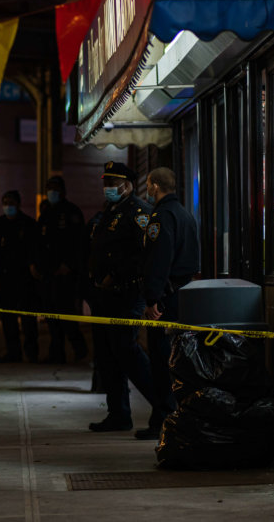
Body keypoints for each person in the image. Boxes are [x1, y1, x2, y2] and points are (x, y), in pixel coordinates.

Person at [86, 162, 168, 433]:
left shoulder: (139, 212)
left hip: (127, 294)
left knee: (127, 351)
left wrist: (116, 274)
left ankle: (164, 409)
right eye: (105, 182)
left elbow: (144, 254)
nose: (108, 187)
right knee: (107, 355)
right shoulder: (110, 210)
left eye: (113, 183)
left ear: (129, 185)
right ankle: (118, 414)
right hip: (104, 296)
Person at [137, 167, 200, 440]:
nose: (148, 190)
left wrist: (152, 298)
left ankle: (162, 419)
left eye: (149, 185)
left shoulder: (162, 216)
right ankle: (174, 416)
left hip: (165, 298)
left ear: (154, 186)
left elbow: (158, 260)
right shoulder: (185, 214)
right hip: (182, 295)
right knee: (177, 360)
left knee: (162, 361)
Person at [32, 175, 88, 363]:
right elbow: (39, 242)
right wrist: (36, 265)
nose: (52, 192)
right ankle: (57, 353)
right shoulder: (45, 213)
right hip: (48, 274)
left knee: (67, 315)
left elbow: (78, 243)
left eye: (55, 188)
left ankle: (80, 350)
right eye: (49, 188)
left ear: (63, 191)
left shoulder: (72, 212)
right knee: (51, 315)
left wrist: (69, 265)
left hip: (66, 275)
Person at [0, 190, 40, 363]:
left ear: (18, 204)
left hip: (24, 279)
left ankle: (31, 352)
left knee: (28, 318)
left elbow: (34, 250)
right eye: (5, 203)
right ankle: (13, 352)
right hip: (5, 279)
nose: (8, 206)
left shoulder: (28, 224)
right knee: (8, 318)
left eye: (11, 203)